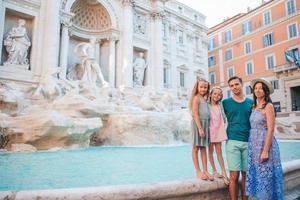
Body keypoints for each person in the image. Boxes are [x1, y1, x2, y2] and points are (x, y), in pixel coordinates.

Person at [246, 78, 283, 200]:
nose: (257, 90)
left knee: (266, 176)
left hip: (265, 145)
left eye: (260, 88)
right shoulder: (254, 106)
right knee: (258, 175)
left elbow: (271, 129)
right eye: (255, 88)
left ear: (265, 91)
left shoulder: (269, 106)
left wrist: (265, 150)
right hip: (254, 146)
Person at [222, 76, 253, 200]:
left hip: (248, 141)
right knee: (234, 175)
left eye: (236, 84)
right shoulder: (225, 102)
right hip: (232, 141)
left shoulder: (251, 102)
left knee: (246, 175)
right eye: (232, 85)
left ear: (241, 84)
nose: (234, 87)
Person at [189, 78, 214, 181]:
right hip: (198, 124)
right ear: (197, 87)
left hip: (205, 124)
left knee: (204, 148)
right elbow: (195, 113)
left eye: (205, 87)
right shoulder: (196, 98)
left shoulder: (205, 99)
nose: (203, 89)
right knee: (196, 148)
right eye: (201, 87)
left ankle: (205, 170)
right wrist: (200, 128)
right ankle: (198, 171)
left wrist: (207, 128)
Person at [208, 86, 229, 185]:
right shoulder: (206, 105)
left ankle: (223, 171)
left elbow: (224, 116)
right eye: (215, 94)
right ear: (211, 94)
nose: (217, 96)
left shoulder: (220, 105)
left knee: (219, 151)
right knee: (210, 151)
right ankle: (214, 170)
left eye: (219, 94)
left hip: (219, 129)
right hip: (210, 130)